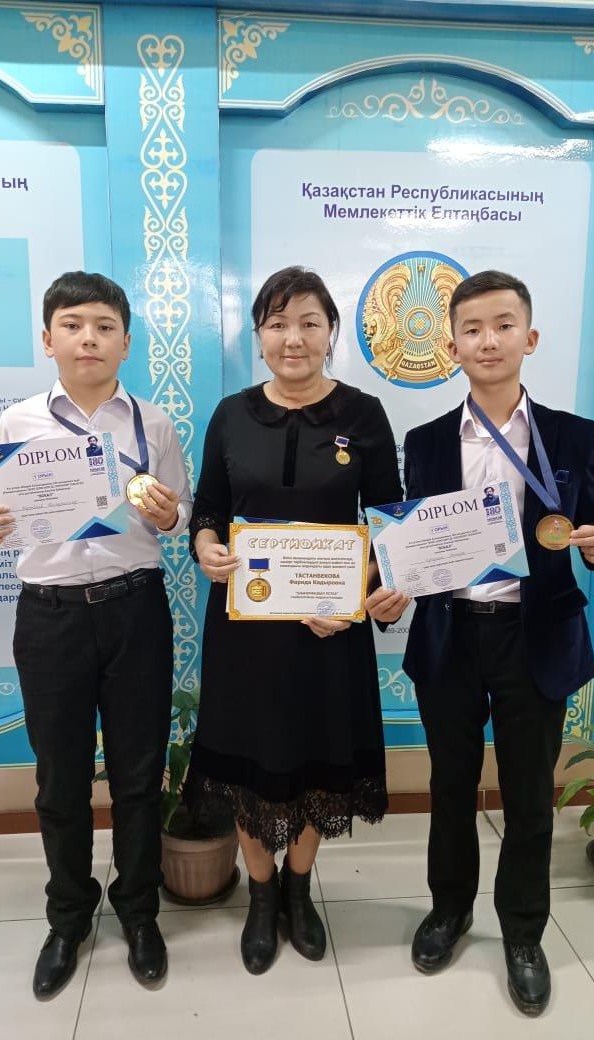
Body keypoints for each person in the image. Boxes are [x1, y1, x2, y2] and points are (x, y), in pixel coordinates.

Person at [0, 272, 192, 998]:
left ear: (126, 342)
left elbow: (178, 517)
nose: (89, 338)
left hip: (134, 609)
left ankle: (139, 912)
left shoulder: (153, 423)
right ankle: (68, 918)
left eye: (105, 326)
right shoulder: (17, 422)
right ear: (48, 338)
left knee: (139, 776)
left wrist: (169, 514)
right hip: (49, 616)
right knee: (59, 779)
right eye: (74, 325)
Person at [399, 270, 594, 1015]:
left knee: (529, 796)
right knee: (450, 786)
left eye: (503, 325)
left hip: (537, 638)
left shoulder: (570, 434)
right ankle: (449, 910)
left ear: (530, 338)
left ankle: (523, 933)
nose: (487, 340)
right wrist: (395, 581)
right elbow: (415, 541)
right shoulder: (426, 442)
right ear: (452, 347)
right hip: (452, 636)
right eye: (472, 329)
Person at [185, 266, 408, 975]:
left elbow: (389, 522)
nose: (293, 338)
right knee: (246, 759)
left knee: (321, 757)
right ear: (258, 335)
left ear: (330, 332)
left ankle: (299, 887)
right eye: (278, 324)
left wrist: (355, 598)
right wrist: (206, 547)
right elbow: (208, 510)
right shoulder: (230, 415)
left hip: (329, 631)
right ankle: (260, 893)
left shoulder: (363, 415)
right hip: (245, 630)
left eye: (309, 323)